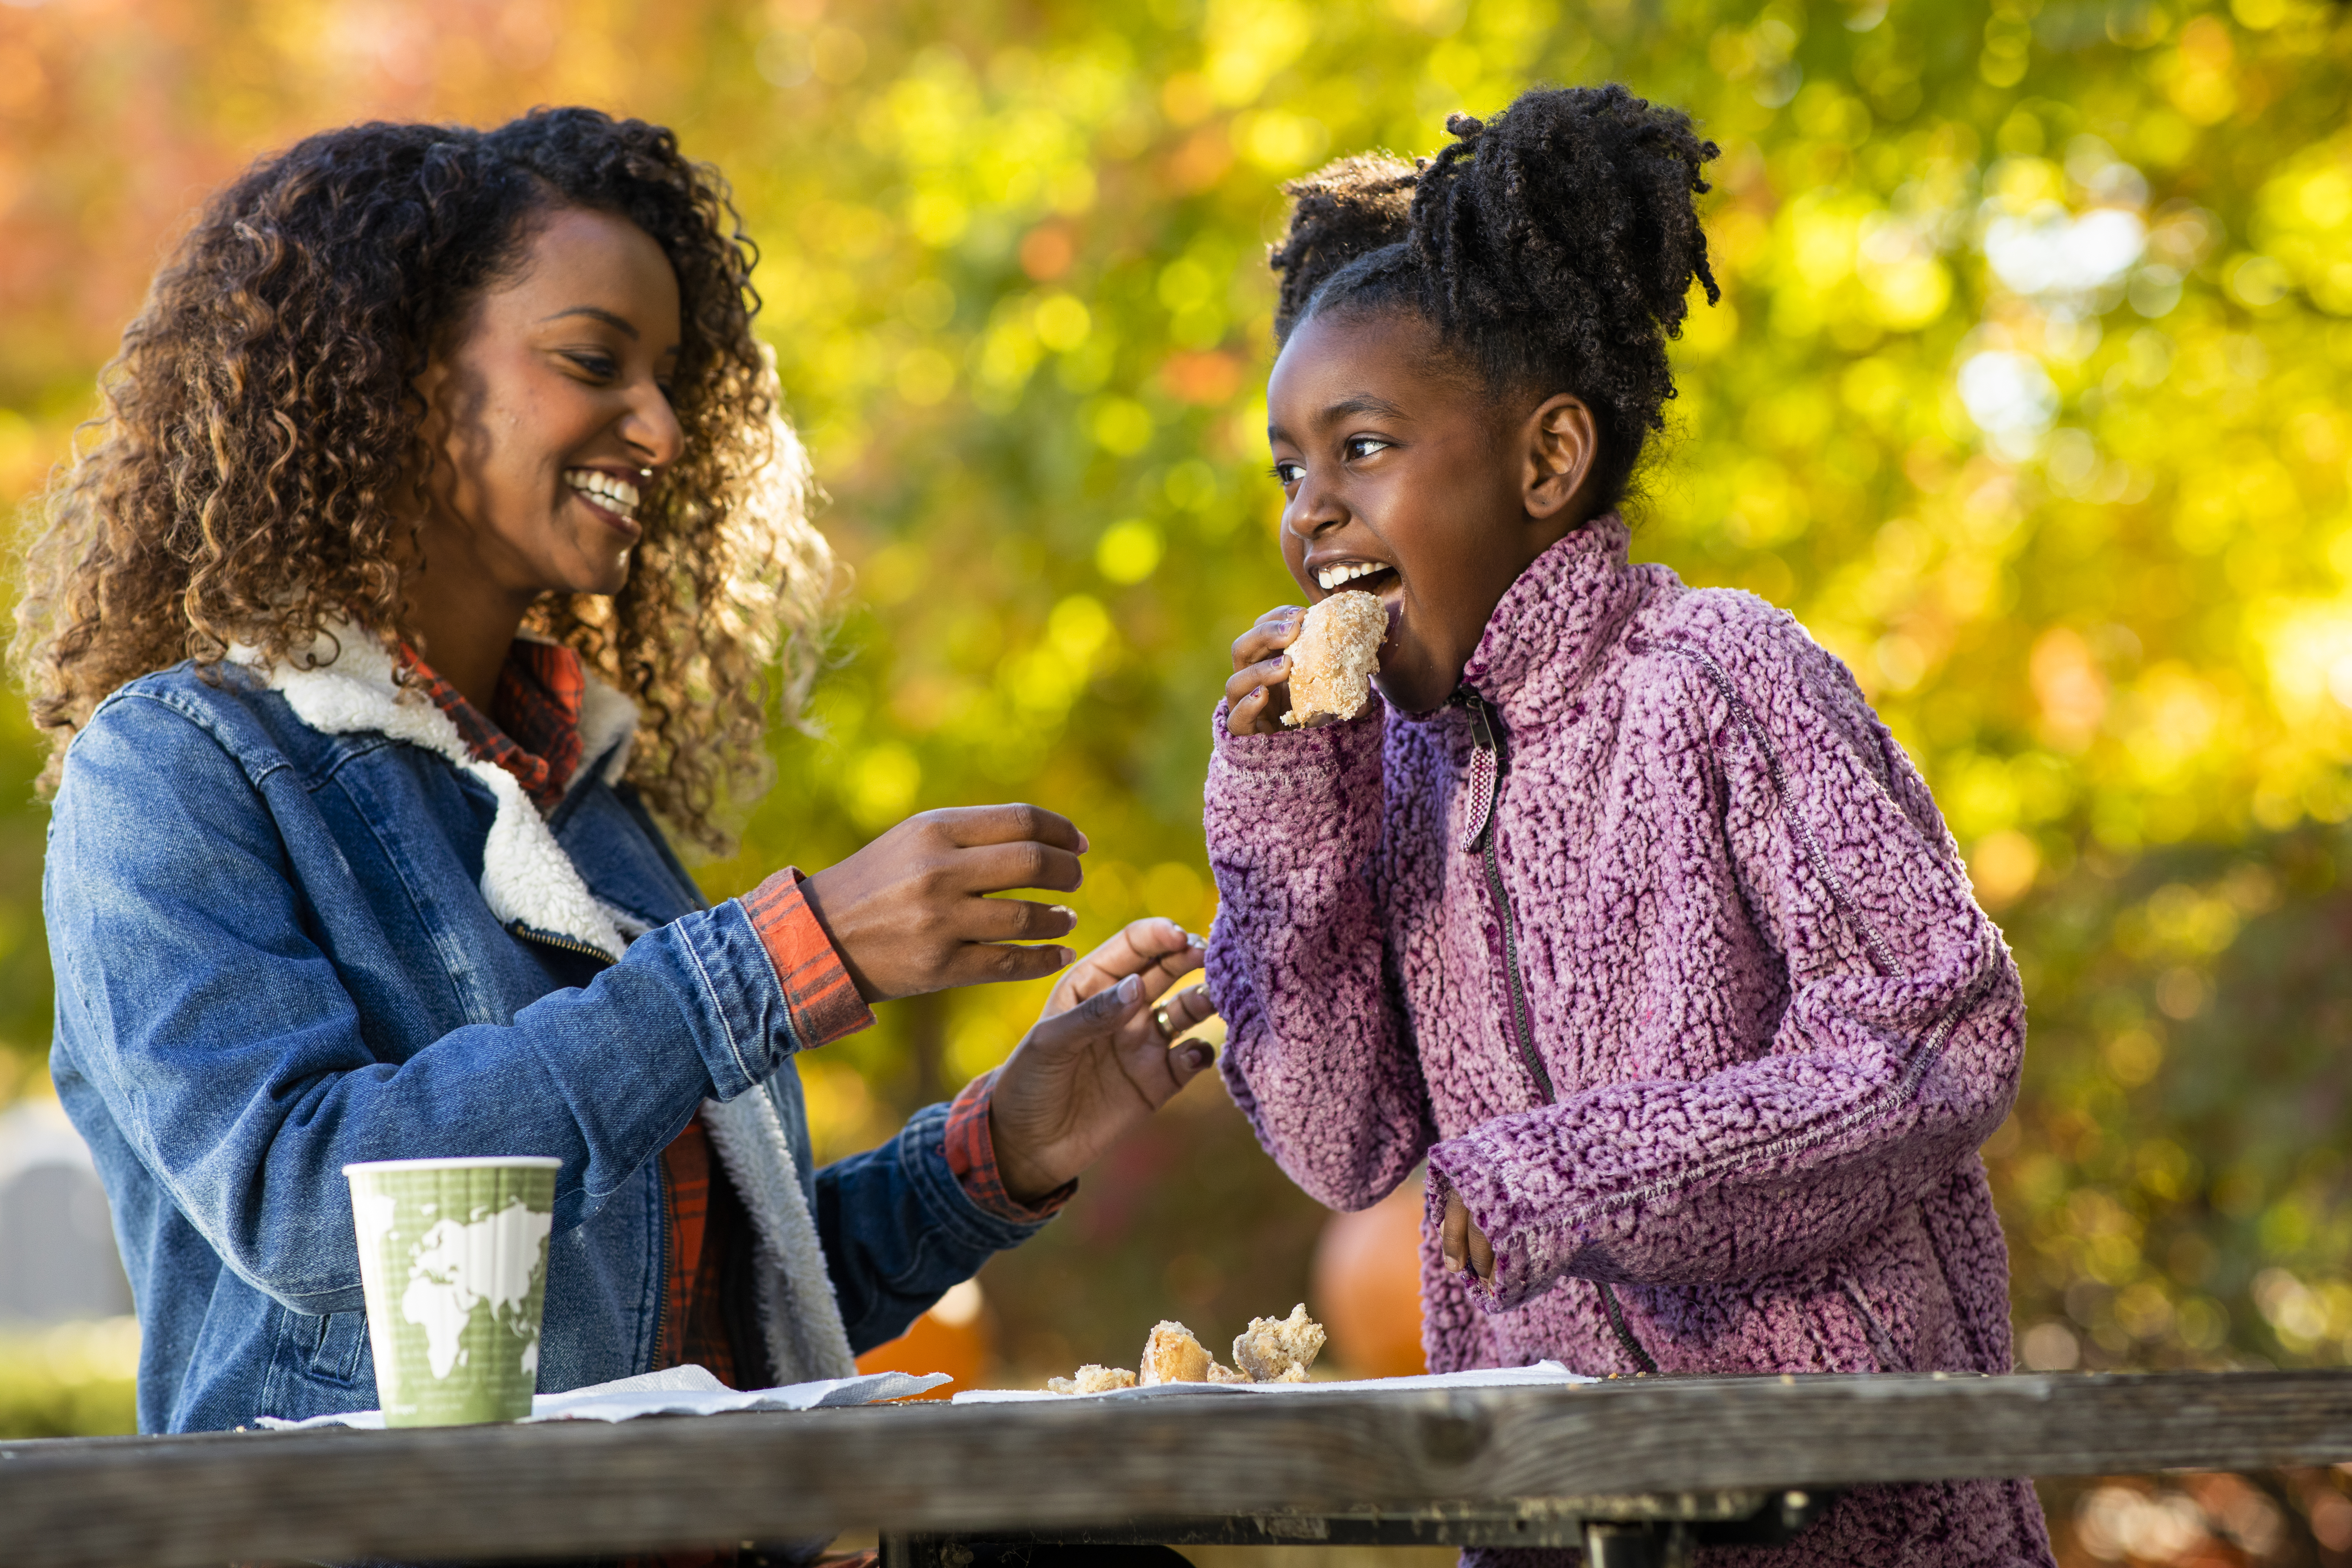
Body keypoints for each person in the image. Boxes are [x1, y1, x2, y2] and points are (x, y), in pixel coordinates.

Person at [14, 107, 1217, 1457]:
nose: (656, 425)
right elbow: (314, 1211)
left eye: (668, 381)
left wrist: (999, 1149)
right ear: (400, 373)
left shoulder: (585, 806)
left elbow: (705, 1306)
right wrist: (774, 961)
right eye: (595, 361)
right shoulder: (180, 770)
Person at [1205, 86, 2055, 1567]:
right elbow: (1342, 1144)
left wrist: (1580, 1173)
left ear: (1546, 463)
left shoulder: (1718, 678)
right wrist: (1291, 808)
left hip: (1852, 1519)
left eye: (1362, 448)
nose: (1310, 515)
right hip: (1552, 1516)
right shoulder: (1392, 774)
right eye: (1291, 468)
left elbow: (1937, 1031)